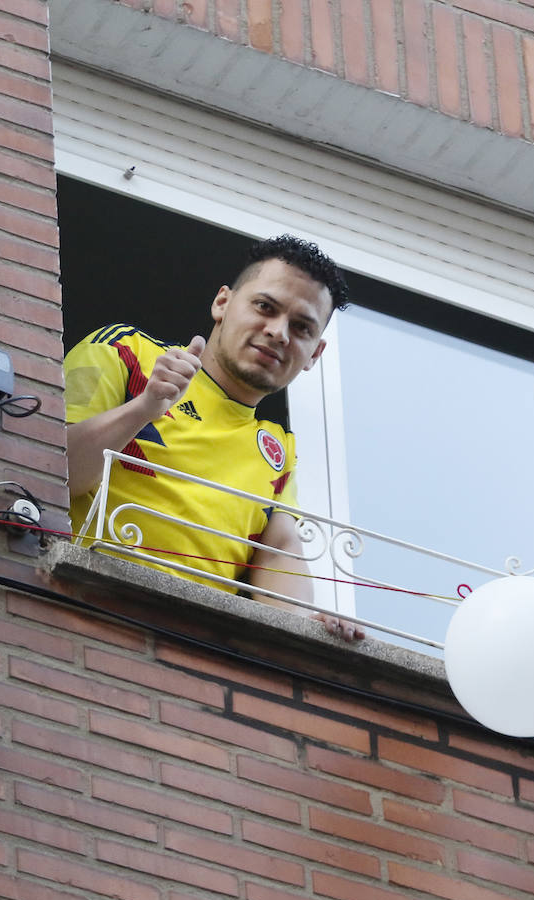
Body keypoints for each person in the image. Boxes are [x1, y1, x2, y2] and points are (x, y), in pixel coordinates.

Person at [64, 234, 364, 639]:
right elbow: (48, 466)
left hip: (195, 647)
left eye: (302, 326)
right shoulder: (127, 352)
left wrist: (306, 626)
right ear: (223, 302)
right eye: (265, 306)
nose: (279, 332)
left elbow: (281, 552)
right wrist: (144, 408)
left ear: (315, 353)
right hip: (87, 611)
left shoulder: (278, 451)